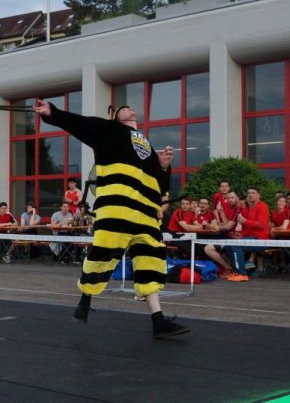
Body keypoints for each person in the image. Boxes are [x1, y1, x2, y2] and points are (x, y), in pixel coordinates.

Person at [33, 100, 188, 338]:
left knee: (151, 262)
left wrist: (164, 168)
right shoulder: (109, 130)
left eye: (129, 107)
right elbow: (79, 124)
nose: (128, 107)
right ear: (116, 117)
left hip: (146, 215)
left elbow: (160, 187)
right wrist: (52, 113)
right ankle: (85, 300)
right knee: (103, 254)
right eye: (122, 108)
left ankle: (158, 321)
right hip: (118, 208)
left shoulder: (147, 145)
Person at [223, 187, 271, 282]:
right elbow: (249, 228)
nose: (250, 195)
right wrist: (241, 235)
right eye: (249, 193)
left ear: (258, 195)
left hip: (261, 240)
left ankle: (242, 274)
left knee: (236, 245)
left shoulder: (263, 206)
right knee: (228, 246)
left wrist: (245, 221)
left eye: (253, 193)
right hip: (251, 238)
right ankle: (236, 271)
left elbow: (261, 225)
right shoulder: (249, 209)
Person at [204, 191, 243, 278]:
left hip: (237, 238)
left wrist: (218, 227)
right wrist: (221, 212)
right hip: (231, 236)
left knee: (208, 249)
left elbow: (228, 227)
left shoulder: (239, 208)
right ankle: (231, 269)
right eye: (228, 198)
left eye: (232, 197)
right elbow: (227, 224)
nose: (230, 200)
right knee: (218, 248)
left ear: (237, 198)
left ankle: (229, 268)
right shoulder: (235, 208)